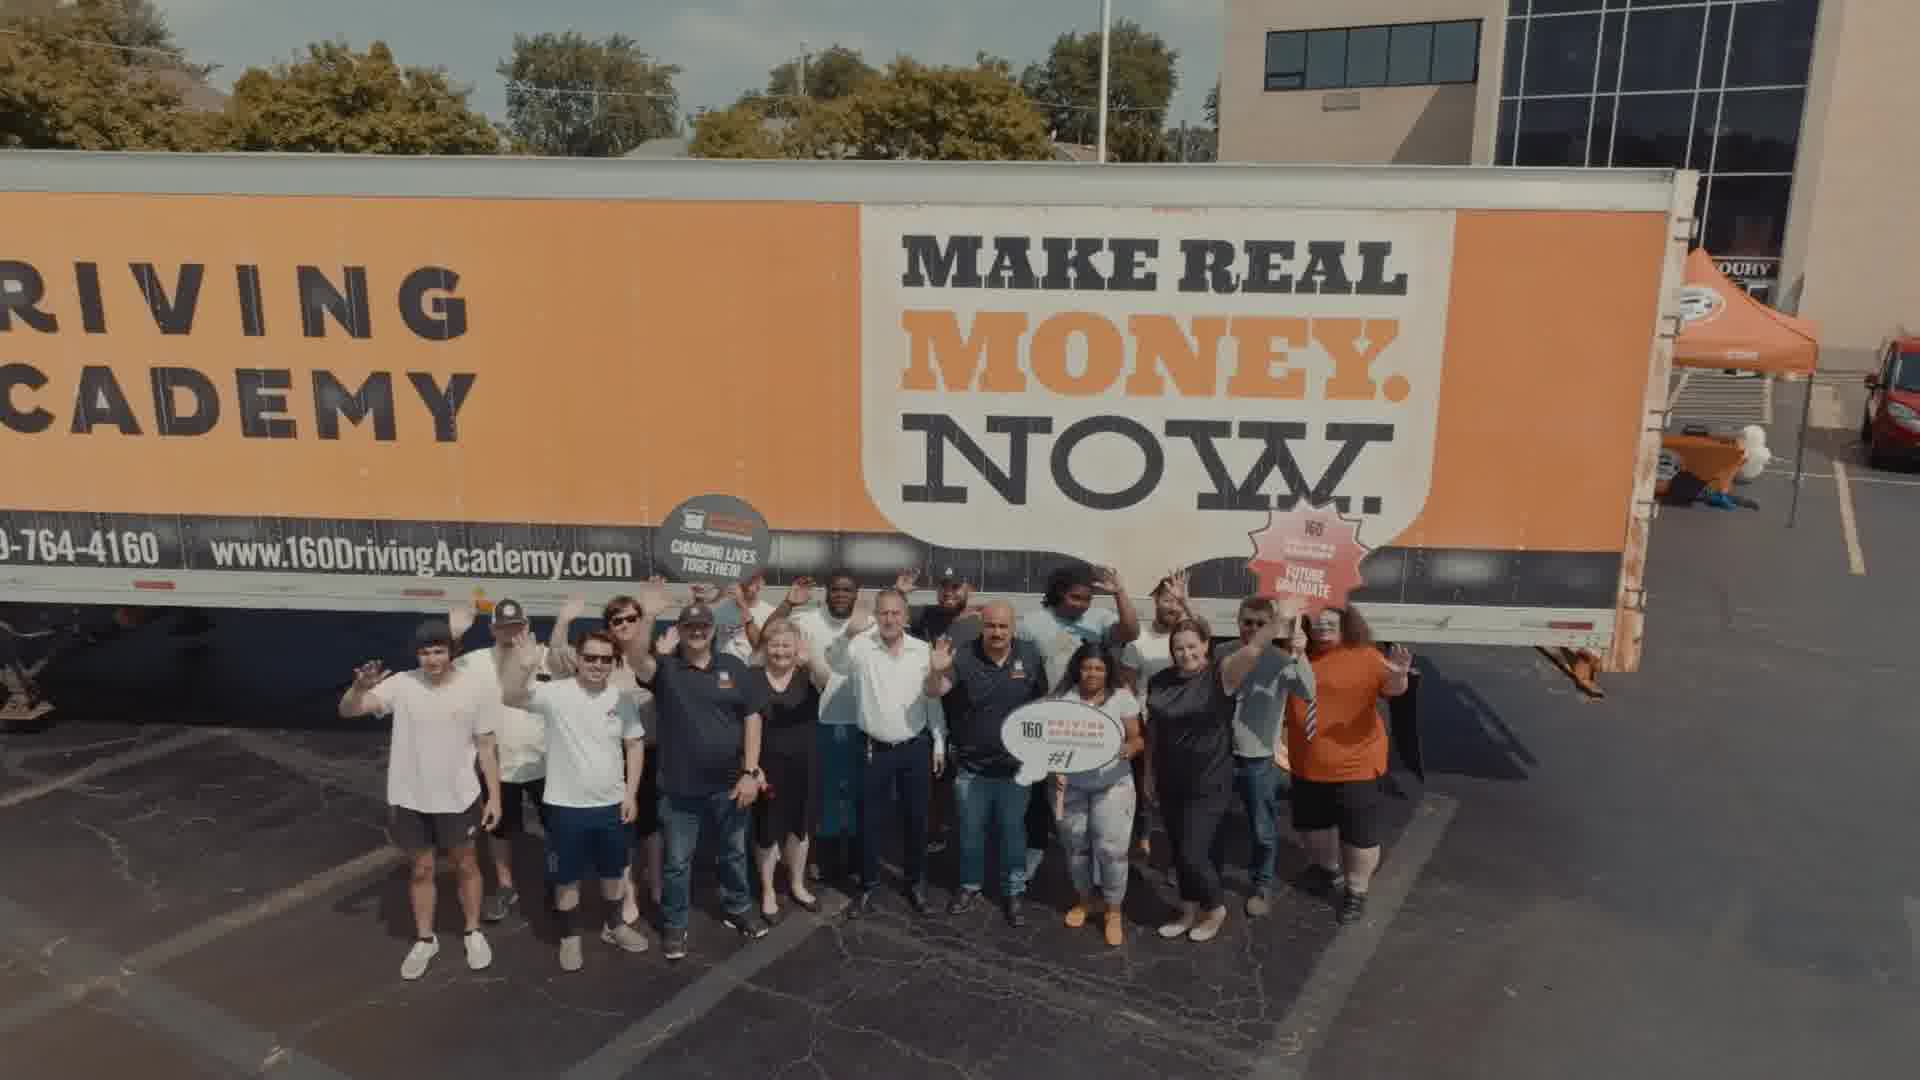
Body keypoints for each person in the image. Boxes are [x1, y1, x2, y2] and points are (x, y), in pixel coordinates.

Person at [337, 620, 503, 980]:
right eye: (425, 652)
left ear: (451, 652)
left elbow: (487, 747)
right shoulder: (401, 684)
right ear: (417, 655)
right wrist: (359, 687)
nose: (432, 659)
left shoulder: (476, 688)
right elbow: (349, 710)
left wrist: (495, 797)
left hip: (460, 797)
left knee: (466, 865)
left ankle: (473, 931)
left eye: (439, 651)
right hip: (410, 798)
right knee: (422, 870)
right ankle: (426, 939)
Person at [625, 584, 770, 960]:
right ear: (680, 630)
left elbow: (752, 718)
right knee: (677, 863)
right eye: (689, 627)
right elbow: (635, 656)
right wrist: (648, 614)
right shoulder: (666, 669)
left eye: (703, 626)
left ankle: (738, 908)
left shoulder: (734, 667)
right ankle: (675, 924)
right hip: (680, 789)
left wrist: (751, 771)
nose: (697, 632)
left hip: (731, 785)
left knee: (734, 853)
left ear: (713, 629)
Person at [1143, 601, 1302, 944]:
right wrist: (1148, 775)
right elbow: (1154, 730)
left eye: (1192, 646)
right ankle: (1188, 911)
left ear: (1206, 646)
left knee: (1193, 852)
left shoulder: (1221, 676)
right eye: (1178, 648)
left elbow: (1255, 648)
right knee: (1177, 849)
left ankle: (1215, 909)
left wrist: (1280, 619)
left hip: (1208, 780)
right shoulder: (1160, 681)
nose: (1186, 653)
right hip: (1169, 779)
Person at [500, 629, 651, 970]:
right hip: (565, 807)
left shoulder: (622, 699)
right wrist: (523, 666)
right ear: (578, 659)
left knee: (613, 873)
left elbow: (634, 745)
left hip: (612, 805)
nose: (597, 664)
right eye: (590, 657)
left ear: (615, 662)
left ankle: (615, 926)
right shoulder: (555, 693)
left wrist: (630, 794)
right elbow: (510, 696)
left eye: (605, 659)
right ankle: (569, 937)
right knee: (566, 878)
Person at [923, 600, 1047, 926]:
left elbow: (1042, 706)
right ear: (982, 626)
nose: (997, 632)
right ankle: (969, 885)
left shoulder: (1030, 655)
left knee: (1013, 833)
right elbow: (935, 691)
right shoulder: (963, 655)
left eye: (1003, 626)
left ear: (1013, 628)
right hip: (972, 767)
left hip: (1016, 769)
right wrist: (935, 670)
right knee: (970, 832)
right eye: (991, 625)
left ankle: (1014, 891)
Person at [1287, 605, 1412, 926]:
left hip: (1355, 765)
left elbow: (1392, 689)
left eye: (1330, 619)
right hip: (1306, 762)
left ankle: (1356, 890)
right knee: (1313, 827)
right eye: (1316, 620)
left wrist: (1399, 675)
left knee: (1359, 836)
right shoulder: (1294, 656)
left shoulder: (1366, 656)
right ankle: (1327, 870)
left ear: (1345, 622)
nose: (1322, 625)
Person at [1017, 564, 1142, 883]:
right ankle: (1036, 849)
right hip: (1052, 723)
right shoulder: (1031, 625)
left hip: (1093, 723)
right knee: (1042, 794)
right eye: (1076, 598)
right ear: (1059, 593)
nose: (1083, 605)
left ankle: (1098, 865)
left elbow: (1131, 632)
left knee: (1094, 793)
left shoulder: (1099, 619)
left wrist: (1119, 593)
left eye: (1087, 599)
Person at [827, 588, 942, 918]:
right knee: (868, 821)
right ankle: (868, 885)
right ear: (876, 616)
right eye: (884, 613)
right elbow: (835, 663)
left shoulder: (922, 650)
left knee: (916, 820)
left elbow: (932, 699)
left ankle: (915, 883)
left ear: (905, 617)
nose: (890, 619)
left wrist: (938, 739)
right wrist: (847, 633)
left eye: (896, 613)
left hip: (914, 747)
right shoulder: (861, 646)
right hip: (872, 748)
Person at [550, 591, 662, 929]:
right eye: (617, 620)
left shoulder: (653, 655)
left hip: (651, 751)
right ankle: (628, 893)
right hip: (613, 756)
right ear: (608, 626)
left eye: (631, 618)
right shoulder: (599, 659)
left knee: (652, 826)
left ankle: (656, 884)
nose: (624, 624)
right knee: (624, 830)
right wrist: (563, 621)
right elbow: (557, 661)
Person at [449, 598, 550, 924]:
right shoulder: (475, 662)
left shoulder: (545, 656)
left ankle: (558, 880)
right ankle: (506, 886)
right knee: (500, 830)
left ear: (527, 626)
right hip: (498, 764)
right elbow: (440, 672)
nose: (511, 633)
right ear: (492, 629)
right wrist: (455, 636)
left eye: (517, 626)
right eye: (504, 627)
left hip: (545, 762)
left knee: (556, 826)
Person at [1215, 596, 1316, 917]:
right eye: (1248, 622)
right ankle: (1207, 877)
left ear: (1271, 624)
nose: (1253, 628)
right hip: (1218, 754)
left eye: (1261, 623)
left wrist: (1301, 654)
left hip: (1257, 758)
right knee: (1211, 821)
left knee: (1262, 829)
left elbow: (1308, 692)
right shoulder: (1223, 652)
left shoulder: (1281, 659)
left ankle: (1261, 883)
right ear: (1238, 621)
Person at [773, 571, 866, 886]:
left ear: (856, 593)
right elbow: (771, 633)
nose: (841, 594)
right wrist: (787, 603)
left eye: (847, 590)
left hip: (858, 722)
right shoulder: (807, 621)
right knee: (820, 793)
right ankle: (818, 858)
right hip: (817, 720)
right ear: (827, 592)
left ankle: (852, 858)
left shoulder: (869, 624)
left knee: (852, 793)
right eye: (835, 589)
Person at [1050, 642, 1143, 947]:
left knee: (1111, 850)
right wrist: (1054, 768)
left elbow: (1137, 739)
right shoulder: (1063, 698)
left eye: (1099, 668)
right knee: (1076, 847)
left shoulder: (1122, 697)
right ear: (1077, 669)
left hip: (1112, 784)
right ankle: (1086, 900)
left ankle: (1113, 910)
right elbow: (1051, 743)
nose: (1092, 673)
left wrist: (1128, 749)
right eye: (1087, 667)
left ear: (1108, 671)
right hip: (1072, 786)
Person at [752, 617, 828, 922]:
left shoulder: (809, 675)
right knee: (767, 829)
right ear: (765, 648)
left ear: (797, 648)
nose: (780, 651)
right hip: (767, 766)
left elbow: (827, 679)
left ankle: (797, 884)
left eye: (787, 645)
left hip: (804, 764)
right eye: (774, 645)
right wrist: (751, 767)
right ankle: (768, 889)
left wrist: (813, 661)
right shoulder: (752, 677)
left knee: (801, 826)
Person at [1120, 572, 1192, 858]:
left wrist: (1187, 603)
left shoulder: (1189, 639)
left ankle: (1177, 844)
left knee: (1179, 788)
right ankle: (1144, 838)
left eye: (1177, 601)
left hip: (1185, 726)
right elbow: (1127, 686)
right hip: (1147, 724)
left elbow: (1204, 635)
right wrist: (1133, 725)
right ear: (1155, 601)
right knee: (1144, 786)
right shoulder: (1138, 640)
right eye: (1167, 600)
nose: (1172, 606)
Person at [717, 571, 777, 662]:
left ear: (761, 584)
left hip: (751, 666)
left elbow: (764, 647)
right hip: (724, 665)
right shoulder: (721, 608)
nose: (744, 585)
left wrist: (742, 604)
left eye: (751, 580)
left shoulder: (770, 612)